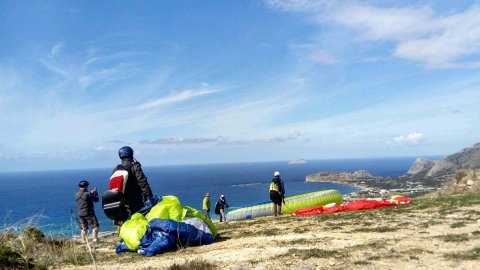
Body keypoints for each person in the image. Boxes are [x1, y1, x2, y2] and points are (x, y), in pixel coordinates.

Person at [113, 146, 154, 224]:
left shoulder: (116, 169)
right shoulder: (135, 166)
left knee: (124, 222)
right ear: (131, 154)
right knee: (139, 219)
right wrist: (150, 196)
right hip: (135, 200)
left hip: (120, 201)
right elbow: (142, 182)